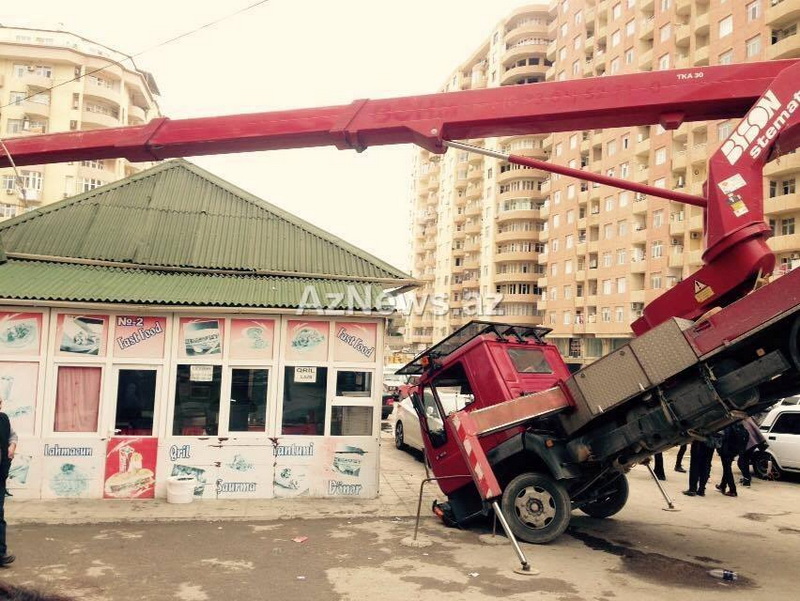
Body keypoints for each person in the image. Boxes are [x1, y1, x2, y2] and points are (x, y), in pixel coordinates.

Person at [0, 396, 15, 567]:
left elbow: (13, 435)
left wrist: (12, 445)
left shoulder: (3, 419)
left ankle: (0, 554)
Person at [715, 422, 747, 497]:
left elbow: (725, 437)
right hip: (734, 450)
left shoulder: (728, 425)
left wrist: (719, 448)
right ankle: (722, 485)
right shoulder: (739, 424)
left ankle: (733, 490)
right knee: (727, 468)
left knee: (727, 469)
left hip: (727, 450)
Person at [738, 417, 766, 487]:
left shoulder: (739, 419)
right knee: (744, 461)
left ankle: (747, 480)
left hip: (748, 443)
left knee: (743, 462)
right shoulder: (747, 417)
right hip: (753, 442)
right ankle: (746, 478)